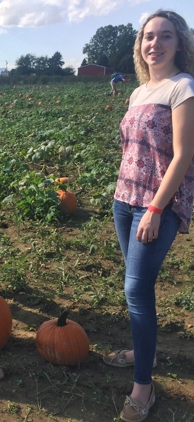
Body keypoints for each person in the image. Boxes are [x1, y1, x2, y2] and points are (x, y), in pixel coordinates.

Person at [103, 10, 194, 422]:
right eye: (148, 37)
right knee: (136, 285)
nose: (154, 43)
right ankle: (146, 353)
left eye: (165, 36)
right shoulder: (139, 91)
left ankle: (144, 386)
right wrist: (124, 200)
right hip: (125, 199)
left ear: (180, 43)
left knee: (136, 291)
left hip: (156, 204)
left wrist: (156, 209)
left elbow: (183, 155)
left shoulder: (183, 88)